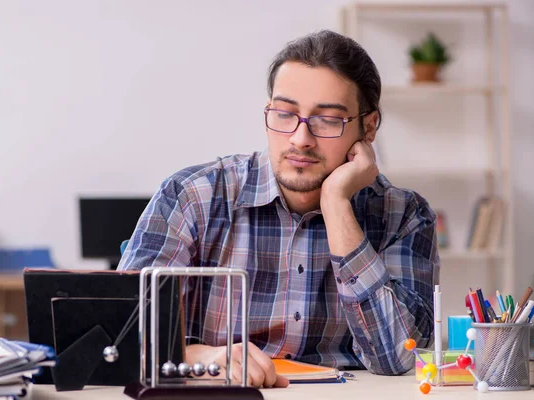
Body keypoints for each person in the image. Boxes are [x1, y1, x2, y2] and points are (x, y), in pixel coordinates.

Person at [118, 30, 439, 388]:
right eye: (285, 114)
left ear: (368, 127)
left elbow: (399, 356)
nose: (300, 138)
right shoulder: (192, 196)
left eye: (328, 120)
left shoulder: (404, 215)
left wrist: (336, 203)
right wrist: (203, 357)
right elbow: (120, 337)